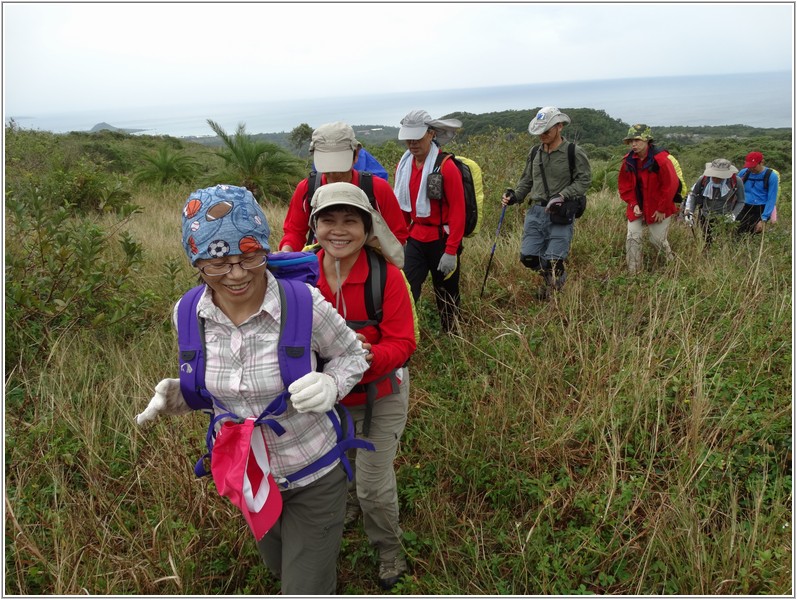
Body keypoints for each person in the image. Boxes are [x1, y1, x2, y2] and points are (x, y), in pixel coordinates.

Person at [135, 184, 370, 595]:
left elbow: (353, 355)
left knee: (303, 588)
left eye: (250, 257)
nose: (238, 273)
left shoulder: (303, 305)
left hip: (313, 471)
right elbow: (215, 392)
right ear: (197, 261)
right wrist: (176, 394)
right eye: (218, 263)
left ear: (264, 248)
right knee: (280, 568)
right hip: (249, 477)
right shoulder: (189, 314)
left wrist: (332, 383)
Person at [308, 181, 416, 590]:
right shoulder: (301, 276)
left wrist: (366, 358)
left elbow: (403, 343)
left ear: (368, 228)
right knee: (340, 471)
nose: (339, 230)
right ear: (314, 226)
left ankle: (389, 551)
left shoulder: (385, 277)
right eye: (328, 220)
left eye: (350, 220)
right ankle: (350, 503)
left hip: (379, 395)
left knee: (373, 486)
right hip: (323, 401)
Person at [501, 107, 591, 299]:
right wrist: (515, 196)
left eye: (546, 131)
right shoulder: (535, 152)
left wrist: (563, 195)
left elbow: (584, 181)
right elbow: (527, 180)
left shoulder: (573, 152)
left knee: (554, 259)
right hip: (535, 211)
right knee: (528, 257)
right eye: (539, 131)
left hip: (560, 213)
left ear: (559, 127)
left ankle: (553, 290)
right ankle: (554, 277)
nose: (542, 135)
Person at [280, 121, 408, 252]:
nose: (333, 173)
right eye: (327, 165)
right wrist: (285, 253)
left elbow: (397, 235)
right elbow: (294, 232)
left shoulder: (377, 188)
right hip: (322, 265)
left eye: (340, 165)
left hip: (368, 267)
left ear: (356, 154)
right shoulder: (308, 188)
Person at [393, 109, 465, 333]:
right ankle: (406, 334)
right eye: (408, 138)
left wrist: (451, 250)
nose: (412, 143)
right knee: (407, 288)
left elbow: (458, 211)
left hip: (441, 239)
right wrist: (399, 238)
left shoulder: (446, 166)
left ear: (431, 134)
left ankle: (452, 334)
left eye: (417, 137)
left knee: (446, 291)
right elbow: (403, 206)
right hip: (415, 238)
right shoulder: (404, 166)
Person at [617, 124, 679, 274]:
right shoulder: (629, 160)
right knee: (632, 238)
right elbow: (624, 186)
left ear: (647, 141)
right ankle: (634, 272)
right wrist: (633, 203)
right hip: (637, 205)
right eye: (631, 141)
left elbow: (671, 185)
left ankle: (670, 269)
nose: (634, 144)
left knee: (657, 240)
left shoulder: (661, 160)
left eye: (638, 140)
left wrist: (661, 209)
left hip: (658, 207)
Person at [683, 158, 746, 246]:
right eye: (714, 175)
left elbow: (741, 201)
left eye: (720, 176)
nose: (716, 178)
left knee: (722, 243)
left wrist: (733, 215)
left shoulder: (736, 181)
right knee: (707, 241)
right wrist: (689, 211)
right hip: (705, 217)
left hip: (725, 220)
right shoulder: (704, 179)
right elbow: (693, 194)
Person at [736, 151, 780, 235]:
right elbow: (736, 189)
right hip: (744, 207)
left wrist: (763, 219)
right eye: (749, 167)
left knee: (754, 234)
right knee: (738, 232)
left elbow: (771, 199)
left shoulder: (771, 176)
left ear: (761, 163)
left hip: (760, 209)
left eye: (754, 166)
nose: (751, 169)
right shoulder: (744, 173)